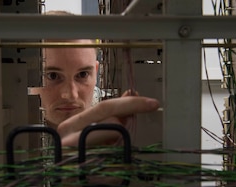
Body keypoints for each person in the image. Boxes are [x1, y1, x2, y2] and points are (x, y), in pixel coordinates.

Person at [36, 11, 160, 146]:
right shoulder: (16, 128)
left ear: (95, 72)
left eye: (82, 75)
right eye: (53, 76)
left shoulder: (114, 125)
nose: (71, 95)